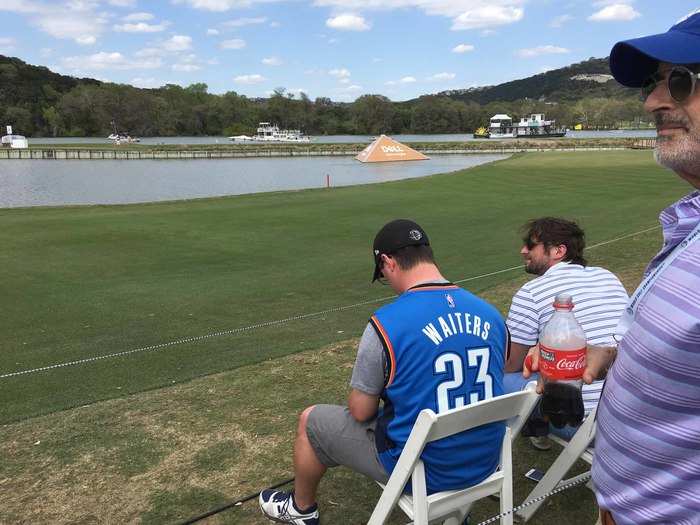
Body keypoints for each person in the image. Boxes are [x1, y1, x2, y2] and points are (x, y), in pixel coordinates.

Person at [525, 11, 700, 524]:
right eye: (651, 83)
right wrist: (610, 356)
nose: (652, 101)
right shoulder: (689, 221)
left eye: (681, 81)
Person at [259, 219, 509, 525]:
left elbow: (361, 411)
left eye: (382, 275)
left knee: (311, 420)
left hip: (424, 468)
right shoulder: (491, 314)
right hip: (485, 460)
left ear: (387, 262)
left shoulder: (387, 322)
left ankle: (300, 509)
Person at [503, 218, 628, 449]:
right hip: (629, 415)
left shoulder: (530, 292)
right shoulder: (607, 276)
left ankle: (534, 426)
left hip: (583, 423)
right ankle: (538, 428)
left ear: (559, 251)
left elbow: (511, 363)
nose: (523, 251)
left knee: (497, 377)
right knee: (547, 360)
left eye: (531, 245)